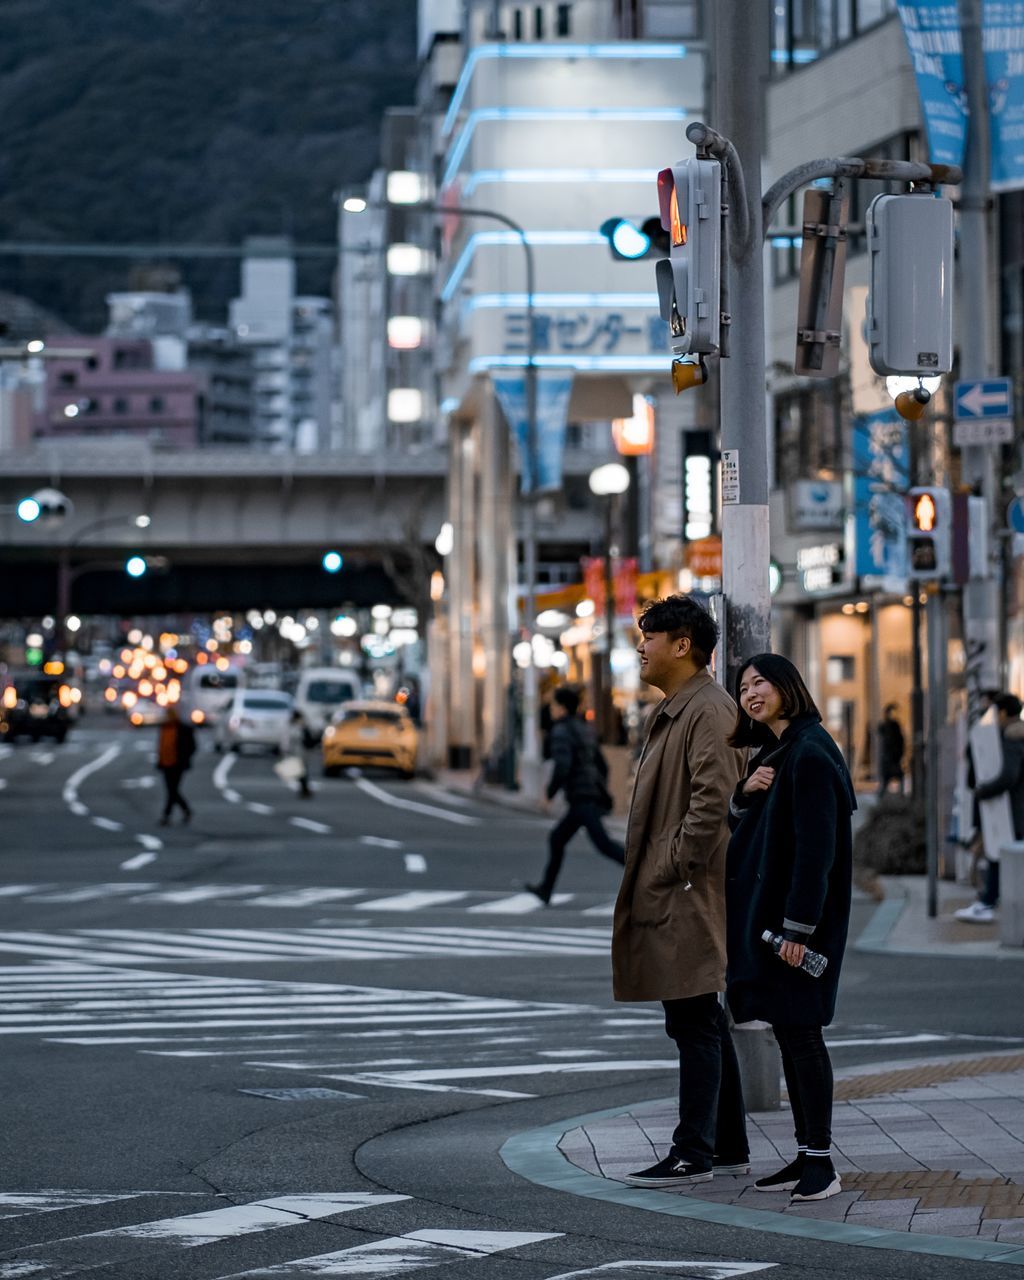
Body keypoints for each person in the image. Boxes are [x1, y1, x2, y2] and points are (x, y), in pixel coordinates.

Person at [612, 596, 749, 1187]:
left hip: (691, 887)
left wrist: (670, 866)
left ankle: (693, 1149)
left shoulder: (707, 711)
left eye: (650, 636)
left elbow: (711, 804)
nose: (641, 647)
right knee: (702, 1016)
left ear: (683, 644)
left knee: (693, 1017)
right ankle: (727, 1144)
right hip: (683, 884)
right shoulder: (681, 707)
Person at [725, 654, 856, 1203]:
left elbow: (815, 852)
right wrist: (743, 794)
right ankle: (805, 1156)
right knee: (790, 1032)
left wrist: (798, 931)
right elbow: (753, 826)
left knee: (803, 1035)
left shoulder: (810, 751)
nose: (751, 693)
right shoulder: (777, 751)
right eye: (744, 686)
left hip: (797, 929)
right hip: (775, 927)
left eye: (761, 682)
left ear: (787, 686)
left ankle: (822, 1162)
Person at [527, 687, 624, 904]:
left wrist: (549, 794)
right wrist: (598, 787)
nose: (551, 710)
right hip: (587, 794)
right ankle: (545, 889)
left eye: (553, 705)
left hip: (582, 797)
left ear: (561, 708)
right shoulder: (584, 728)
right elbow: (603, 765)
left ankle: (644, 873)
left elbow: (562, 765)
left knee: (603, 844)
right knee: (559, 838)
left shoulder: (560, 731)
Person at [955, 692, 1024, 923]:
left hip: (1012, 810)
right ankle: (988, 900)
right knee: (1000, 855)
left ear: (1003, 713)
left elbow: (1009, 775)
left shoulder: (1012, 738)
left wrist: (984, 791)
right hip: (1014, 810)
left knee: (998, 853)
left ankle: (987, 903)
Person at [156, 705, 196, 825]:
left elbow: (192, 746)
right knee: (172, 790)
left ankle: (167, 815)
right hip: (165, 763)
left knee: (172, 790)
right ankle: (185, 810)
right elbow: (161, 746)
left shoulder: (183, 729)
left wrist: (184, 757)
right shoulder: (164, 728)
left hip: (178, 764)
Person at [281, 709, 313, 799]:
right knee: (301, 772)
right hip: (295, 752)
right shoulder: (292, 726)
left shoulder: (301, 726)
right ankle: (305, 790)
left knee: (302, 772)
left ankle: (304, 790)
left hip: (300, 752)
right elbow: (288, 739)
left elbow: (307, 739)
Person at [876, 703, 905, 795]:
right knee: (885, 780)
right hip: (887, 757)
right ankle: (883, 797)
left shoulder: (895, 726)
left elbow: (901, 741)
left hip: (894, 757)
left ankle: (900, 795)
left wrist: (899, 754)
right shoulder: (884, 726)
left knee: (898, 777)